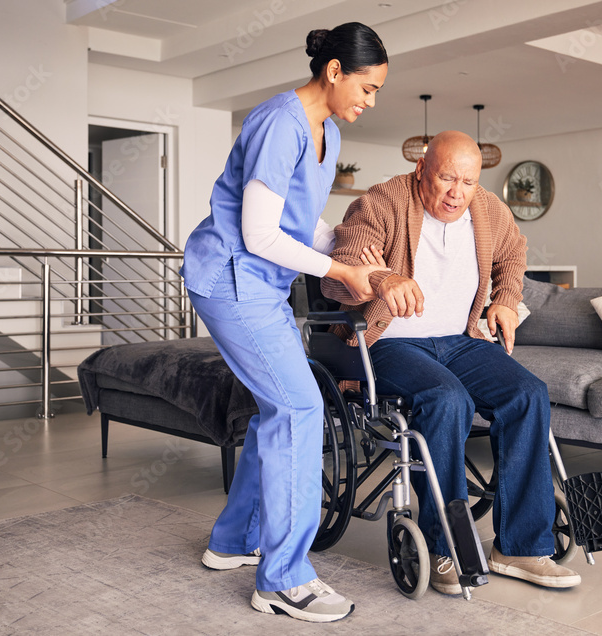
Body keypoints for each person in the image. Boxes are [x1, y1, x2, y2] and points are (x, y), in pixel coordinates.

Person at [179, 23, 388, 623]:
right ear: (334, 72)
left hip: (262, 282)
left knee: (283, 407)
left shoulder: (322, 129)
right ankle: (283, 579)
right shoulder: (280, 123)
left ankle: (232, 540)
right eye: (368, 89)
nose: (369, 103)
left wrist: (348, 256)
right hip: (231, 278)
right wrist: (339, 272)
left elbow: (300, 222)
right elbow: (258, 234)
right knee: (300, 408)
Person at [321, 130, 581, 595]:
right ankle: (444, 547)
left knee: (528, 395)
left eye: (468, 181)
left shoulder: (486, 208)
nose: (457, 193)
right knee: (447, 400)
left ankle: (520, 547)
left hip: (461, 341)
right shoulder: (380, 202)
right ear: (422, 170)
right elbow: (340, 269)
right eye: (446, 178)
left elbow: (514, 251)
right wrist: (380, 278)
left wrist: (504, 298)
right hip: (392, 341)